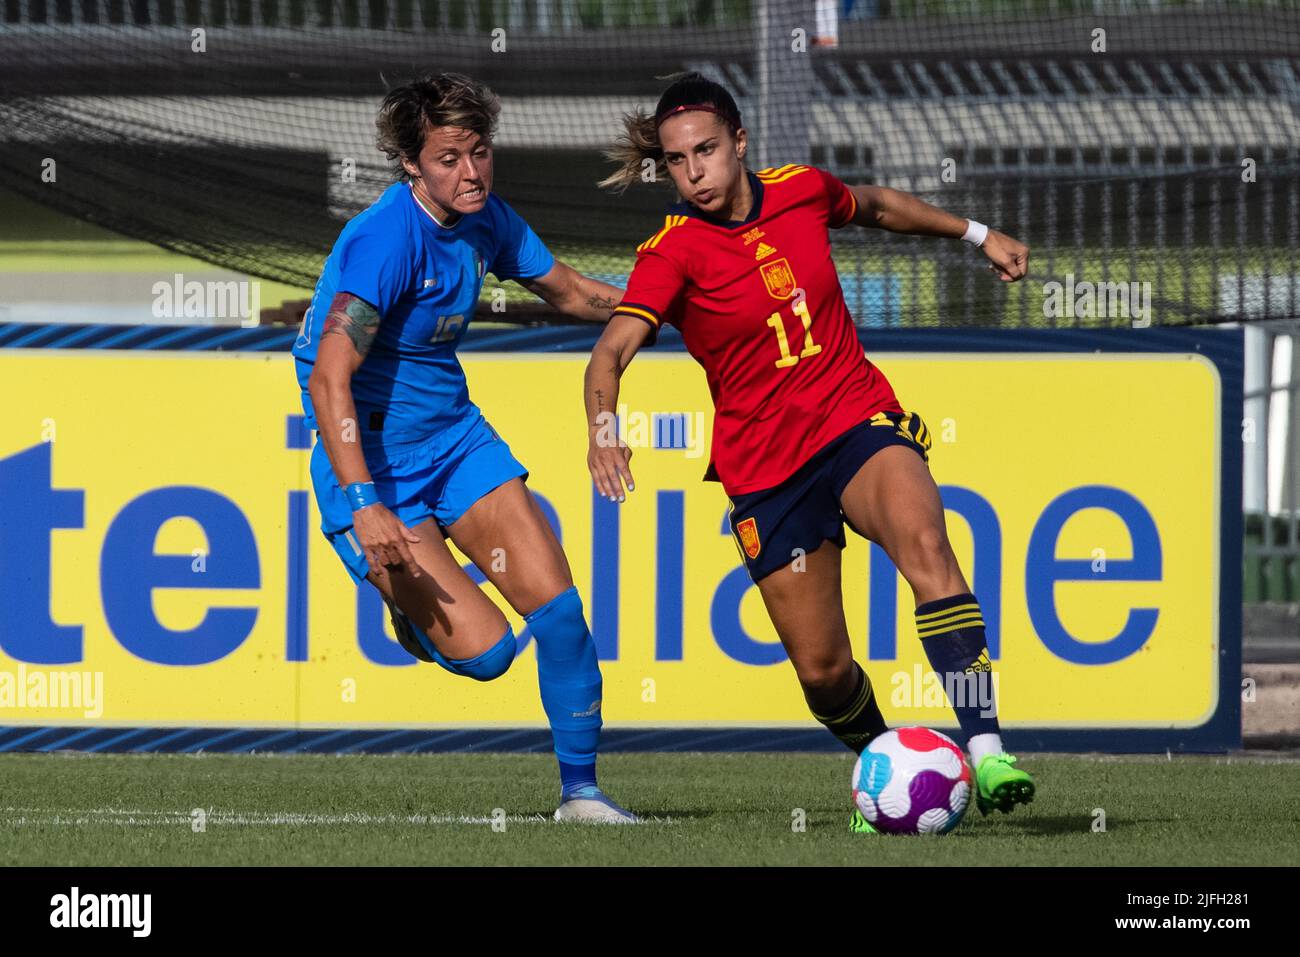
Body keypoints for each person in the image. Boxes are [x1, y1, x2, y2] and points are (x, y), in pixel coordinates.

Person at [585, 72, 1034, 832]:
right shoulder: (673, 252)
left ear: (740, 142)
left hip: (855, 417)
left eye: (706, 150)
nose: (693, 171)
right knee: (824, 672)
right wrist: (603, 425)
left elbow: (882, 206)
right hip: (767, 473)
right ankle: (888, 766)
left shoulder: (800, 190)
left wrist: (978, 234)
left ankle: (987, 747)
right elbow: (609, 353)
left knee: (927, 541)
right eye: (676, 160)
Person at [293, 72, 635, 823]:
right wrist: (364, 505)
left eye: (480, 152)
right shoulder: (385, 239)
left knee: (561, 616)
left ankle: (582, 795)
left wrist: (669, 297)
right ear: (412, 163)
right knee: (486, 657)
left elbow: (574, 293)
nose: (471, 172)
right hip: (374, 469)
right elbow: (328, 381)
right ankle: (412, 615)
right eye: (449, 158)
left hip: (455, 441)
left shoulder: (486, 219)